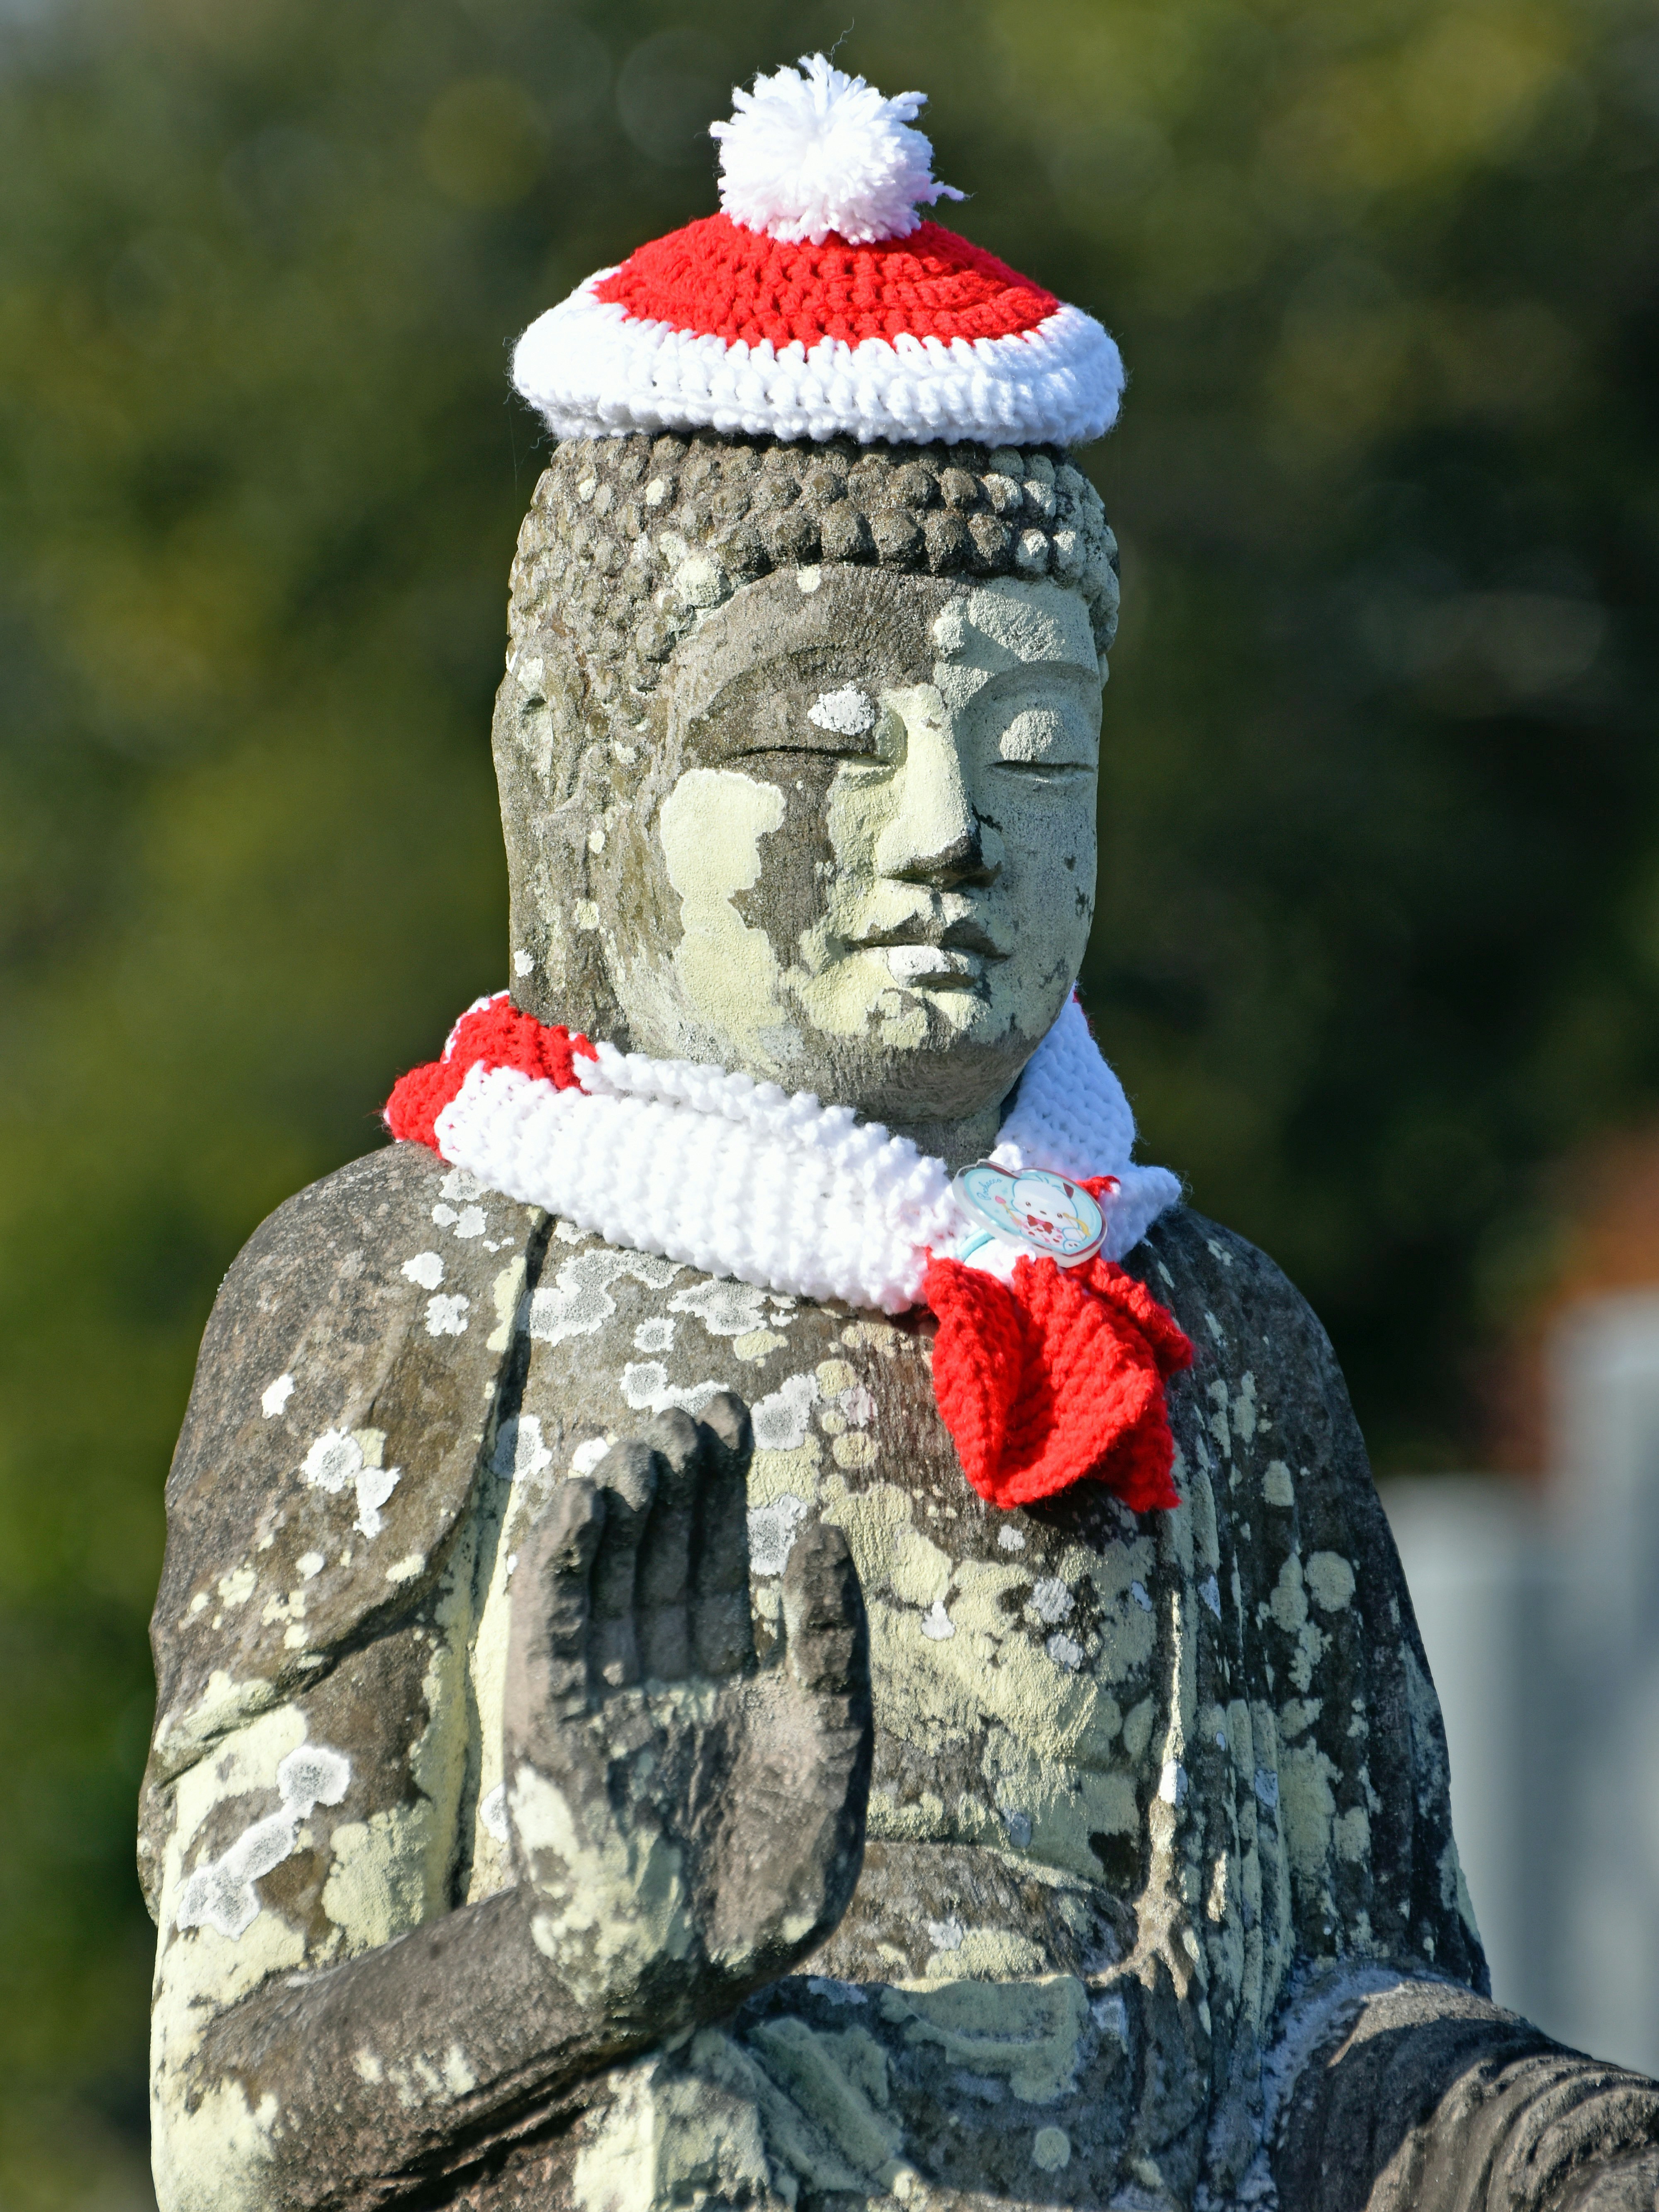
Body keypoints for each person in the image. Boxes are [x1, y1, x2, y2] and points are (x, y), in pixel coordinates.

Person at [141, 55, 1659, 2212]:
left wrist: (1550, 2146)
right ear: (577, 774)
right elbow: (230, 2120)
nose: (943, 839)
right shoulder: (423, 1291)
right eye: (827, 741)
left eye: (1030, 754)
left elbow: (1330, 2009)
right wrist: (590, 1950)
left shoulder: (1196, 1330)